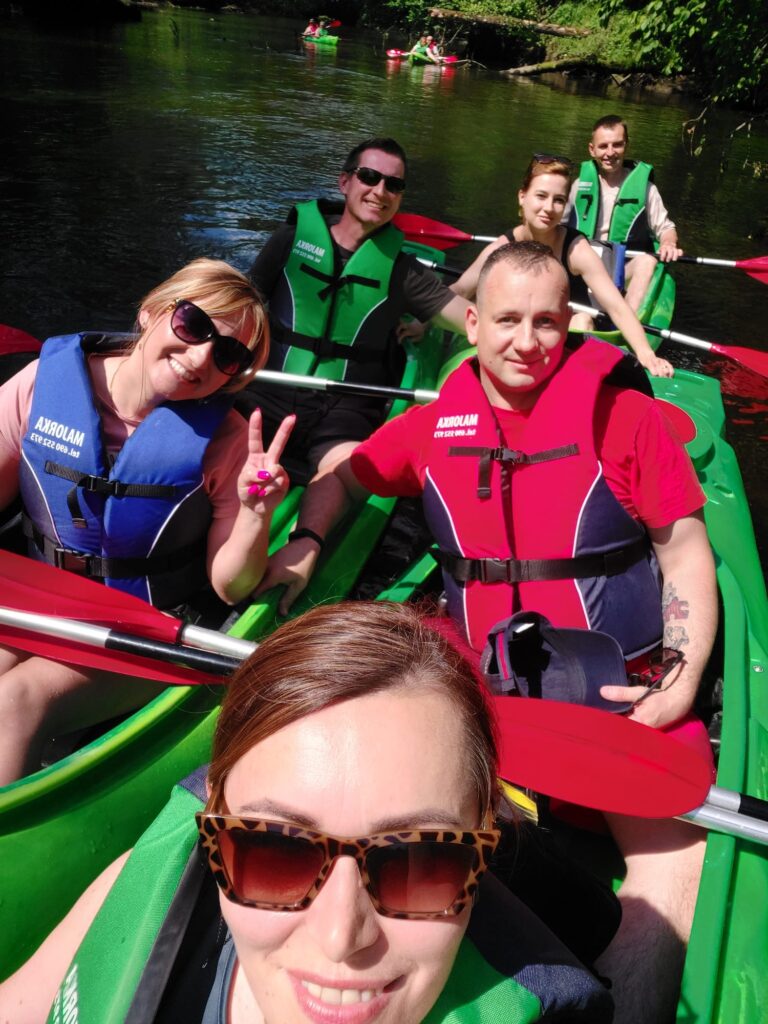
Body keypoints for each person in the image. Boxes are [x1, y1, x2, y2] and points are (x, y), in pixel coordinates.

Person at [263, 243, 718, 1024]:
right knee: (381, 822)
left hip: (617, 690)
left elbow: (685, 555)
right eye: (508, 320)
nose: (527, 342)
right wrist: (304, 543)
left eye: (547, 322)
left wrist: (679, 680)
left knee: (677, 870)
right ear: (472, 323)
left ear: (569, 325)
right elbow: (343, 476)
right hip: (487, 694)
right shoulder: (433, 428)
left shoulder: (627, 418)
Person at [0, 601, 614, 1023]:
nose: (342, 938)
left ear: (484, 838)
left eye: (420, 860)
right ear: (214, 819)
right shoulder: (154, 873)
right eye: (274, 848)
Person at [0, 258, 294, 785]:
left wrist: (255, 513)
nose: (200, 357)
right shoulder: (40, 384)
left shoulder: (227, 440)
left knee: (15, 700)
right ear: (152, 311)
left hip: (152, 624)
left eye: (228, 355)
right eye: (194, 325)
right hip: (45, 599)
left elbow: (232, 586)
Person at [237, 137, 468, 587]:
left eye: (393, 185)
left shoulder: (403, 271)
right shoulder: (289, 241)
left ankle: (306, 544)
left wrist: (528, 322)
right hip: (268, 391)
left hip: (343, 409)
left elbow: (471, 320)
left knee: (343, 468)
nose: (380, 191)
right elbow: (239, 303)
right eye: (369, 177)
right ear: (344, 182)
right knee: (225, 442)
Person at [452, 154, 673, 377]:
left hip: (570, 331)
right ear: (522, 197)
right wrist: (430, 313)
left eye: (558, 200)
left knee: (581, 320)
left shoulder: (575, 249)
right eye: (541, 196)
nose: (549, 208)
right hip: (523, 333)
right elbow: (460, 290)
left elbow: (616, 305)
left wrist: (645, 353)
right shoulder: (502, 247)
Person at [565, 114, 683, 315]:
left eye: (617, 145)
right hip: (584, 268)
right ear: (592, 149)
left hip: (622, 269)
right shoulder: (579, 186)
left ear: (626, 145)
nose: (610, 153)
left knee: (647, 261)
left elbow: (666, 229)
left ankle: (625, 321)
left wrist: (668, 243)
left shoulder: (645, 189)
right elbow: (559, 227)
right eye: (603, 146)